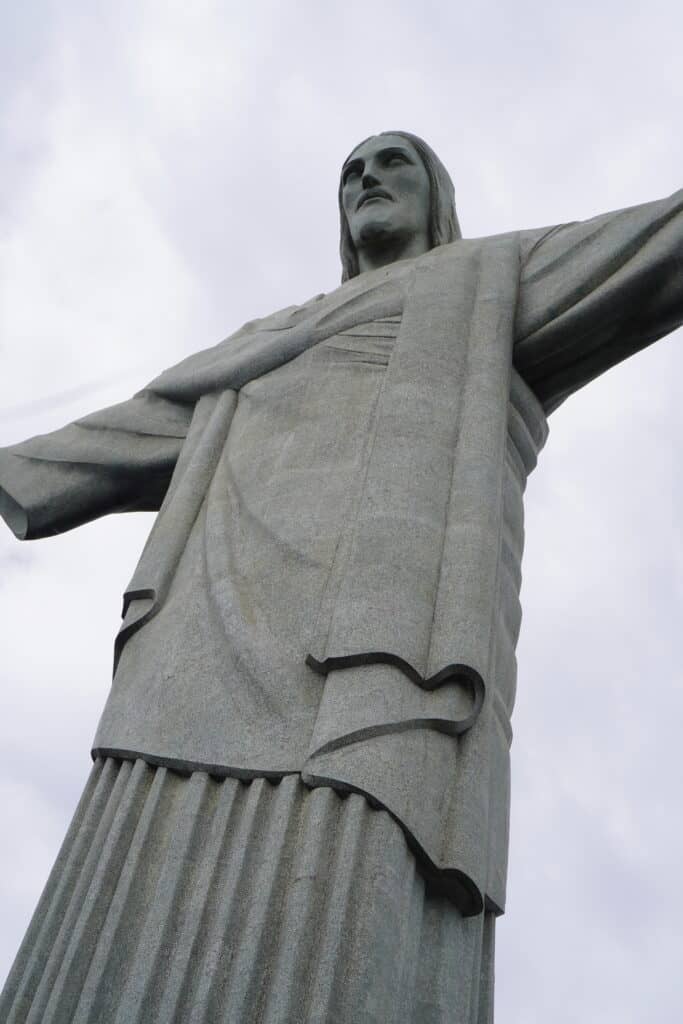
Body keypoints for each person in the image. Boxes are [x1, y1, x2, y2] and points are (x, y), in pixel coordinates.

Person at [0, 131, 681, 1024]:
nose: (367, 180)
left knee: (343, 866)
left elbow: (655, 245)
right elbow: (123, 432)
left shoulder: (489, 280)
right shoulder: (267, 338)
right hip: (197, 633)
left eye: (391, 163)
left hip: (377, 647)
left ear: (435, 194)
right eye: (351, 173)